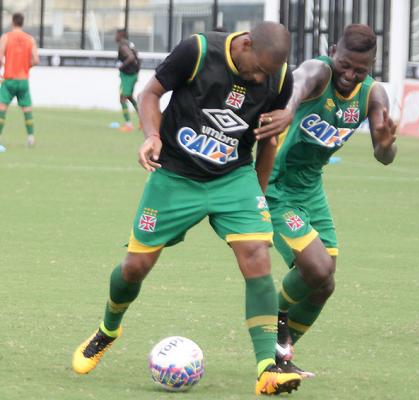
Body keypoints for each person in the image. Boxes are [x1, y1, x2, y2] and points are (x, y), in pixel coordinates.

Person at [72, 22, 304, 395]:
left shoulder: (279, 79)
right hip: (175, 175)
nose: (262, 78)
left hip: (233, 178)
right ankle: (107, 330)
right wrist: (152, 135)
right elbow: (150, 93)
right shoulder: (197, 50)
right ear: (246, 44)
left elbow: (267, 141)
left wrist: (258, 196)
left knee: (257, 255)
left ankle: (267, 368)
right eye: (259, 69)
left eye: (269, 72)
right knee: (135, 267)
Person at [253, 24, 397, 375]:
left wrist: (386, 144)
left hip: (311, 188)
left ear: (371, 65)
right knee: (317, 268)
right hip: (276, 184)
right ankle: (275, 319)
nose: (349, 75)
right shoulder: (320, 72)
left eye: (360, 69)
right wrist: (288, 108)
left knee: (324, 284)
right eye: (344, 64)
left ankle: (280, 356)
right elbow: (299, 81)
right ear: (333, 51)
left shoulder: (373, 94)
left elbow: (384, 157)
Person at [0, 12, 39, 152]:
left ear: (13, 22)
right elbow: (36, 60)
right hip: (23, 80)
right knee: (27, 109)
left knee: (2, 108)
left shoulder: (6, 37)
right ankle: (31, 137)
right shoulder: (30, 39)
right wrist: (26, 67)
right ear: (22, 23)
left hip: (9, 79)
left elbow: (0, 57)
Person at [115, 29, 140, 132]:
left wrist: (121, 66)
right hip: (133, 74)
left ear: (121, 35)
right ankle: (143, 122)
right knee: (129, 97)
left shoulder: (123, 45)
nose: (115, 37)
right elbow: (137, 57)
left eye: (116, 34)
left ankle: (128, 125)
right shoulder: (129, 44)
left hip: (128, 76)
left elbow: (131, 57)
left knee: (122, 98)